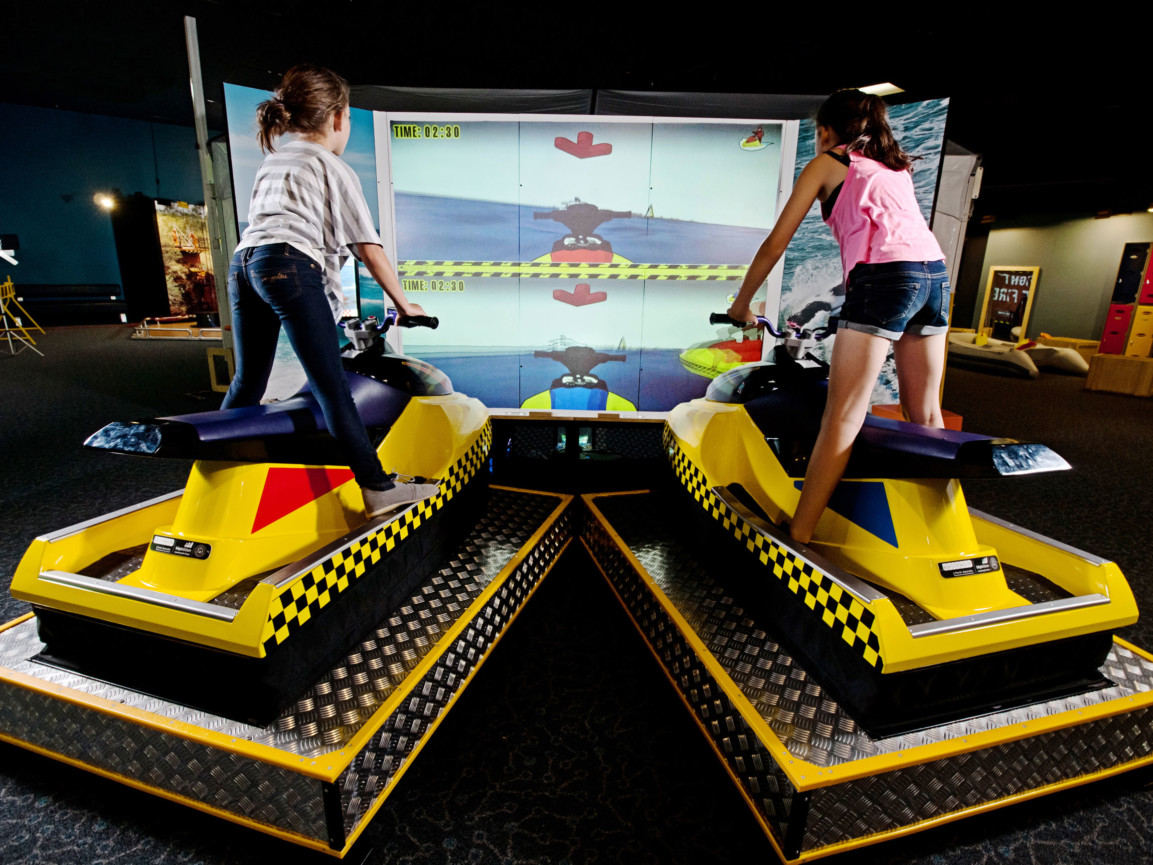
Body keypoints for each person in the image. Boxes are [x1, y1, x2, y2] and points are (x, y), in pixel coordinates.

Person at [726, 89, 948, 545]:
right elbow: (892, 233)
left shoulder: (829, 162)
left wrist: (741, 303)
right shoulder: (894, 166)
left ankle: (799, 534)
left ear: (826, 130)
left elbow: (776, 242)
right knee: (926, 414)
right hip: (935, 277)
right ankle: (939, 531)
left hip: (886, 280)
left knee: (842, 416)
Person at [223, 64, 438, 519]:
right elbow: (367, 247)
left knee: (248, 381)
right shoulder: (329, 165)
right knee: (332, 388)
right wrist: (406, 305)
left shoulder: (274, 160)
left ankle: (215, 478)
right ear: (338, 117)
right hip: (286, 265)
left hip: (244, 265)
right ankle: (379, 489)